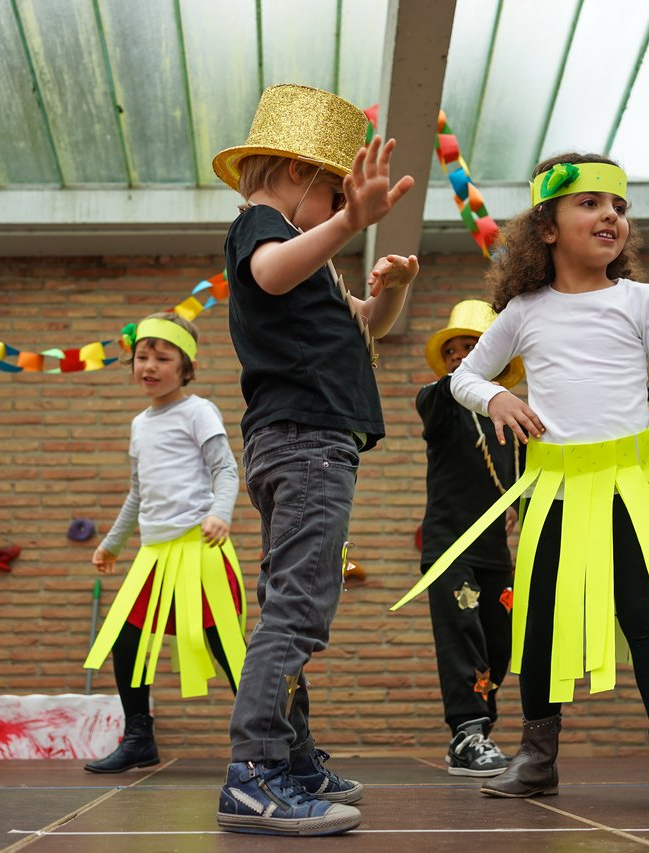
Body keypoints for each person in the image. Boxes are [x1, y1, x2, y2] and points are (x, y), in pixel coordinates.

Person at [396, 153, 649, 815]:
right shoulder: (523, 310)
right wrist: (496, 402)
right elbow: (464, 378)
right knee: (540, 626)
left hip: (629, 488)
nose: (609, 217)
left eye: (618, 206)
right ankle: (537, 758)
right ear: (547, 226)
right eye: (590, 204)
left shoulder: (642, 300)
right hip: (555, 494)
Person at [211, 83, 419, 835]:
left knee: (289, 603)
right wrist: (347, 219)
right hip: (304, 443)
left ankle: (292, 760)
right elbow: (269, 270)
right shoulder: (260, 226)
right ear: (299, 176)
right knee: (298, 611)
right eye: (332, 187)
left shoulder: (308, 260)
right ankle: (256, 773)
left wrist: (386, 293)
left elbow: (364, 328)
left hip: (305, 443)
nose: (341, 203)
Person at [82, 312, 246, 773]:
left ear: (186, 366)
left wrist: (220, 513)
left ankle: (265, 738)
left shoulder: (198, 411)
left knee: (224, 645)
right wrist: (113, 544)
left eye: (162, 357)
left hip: (198, 551)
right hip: (153, 557)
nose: (149, 366)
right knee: (126, 640)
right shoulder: (140, 424)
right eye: (142, 357)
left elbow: (226, 470)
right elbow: (138, 491)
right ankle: (139, 737)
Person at [417, 300, 523, 777]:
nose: (461, 355)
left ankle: (480, 730)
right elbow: (440, 397)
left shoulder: (513, 418)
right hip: (450, 551)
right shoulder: (439, 401)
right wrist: (465, 379)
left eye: (475, 347)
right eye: (454, 350)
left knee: (498, 645)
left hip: (495, 554)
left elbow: (521, 477)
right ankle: (468, 732)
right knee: (462, 638)